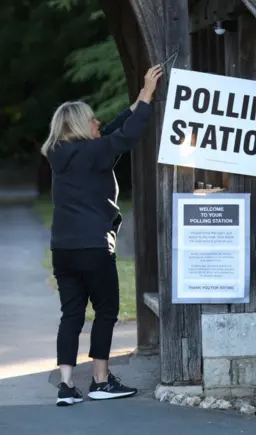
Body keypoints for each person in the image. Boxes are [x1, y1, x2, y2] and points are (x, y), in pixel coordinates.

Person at [41, 65, 163, 406]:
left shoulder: (58, 153)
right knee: (106, 312)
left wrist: (141, 95)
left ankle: (66, 386)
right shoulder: (95, 152)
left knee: (72, 315)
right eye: (92, 120)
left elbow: (110, 131)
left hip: (63, 248)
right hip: (94, 246)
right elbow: (124, 136)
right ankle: (100, 380)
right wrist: (148, 100)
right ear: (81, 125)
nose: (98, 122)